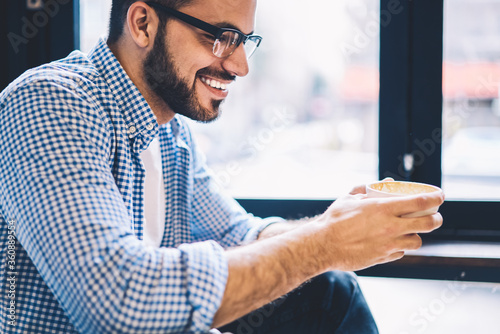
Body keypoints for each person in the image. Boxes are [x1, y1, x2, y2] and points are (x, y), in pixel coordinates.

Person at [0, 0, 444, 333]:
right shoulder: (51, 101)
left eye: (245, 41)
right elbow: (117, 302)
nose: (240, 65)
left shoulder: (170, 132)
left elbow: (240, 234)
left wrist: (341, 224)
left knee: (329, 292)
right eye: (221, 37)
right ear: (142, 23)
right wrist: (324, 244)